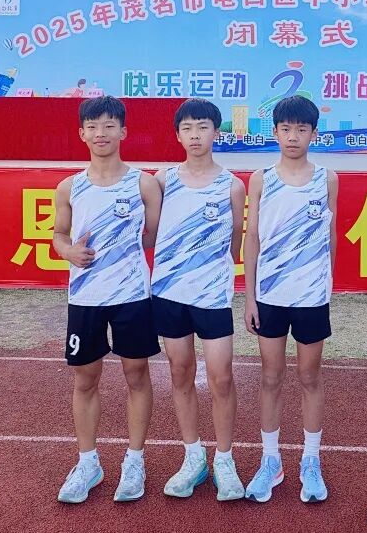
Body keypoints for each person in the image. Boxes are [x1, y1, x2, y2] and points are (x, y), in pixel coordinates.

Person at [52, 96, 163, 504]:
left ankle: (135, 460)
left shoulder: (143, 184)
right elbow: (58, 235)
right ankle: (88, 463)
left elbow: (152, 237)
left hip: (133, 296)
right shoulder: (69, 186)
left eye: (109, 125)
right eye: (93, 126)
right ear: (82, 133)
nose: (101, 133)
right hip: (85, 298)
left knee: (137, 374)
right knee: (85, 378)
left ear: (123, 131)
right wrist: (68, 251)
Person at [243, 95, 339, 503]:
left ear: (313, 133)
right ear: (276, 132)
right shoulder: (261, 178)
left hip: (311, 297)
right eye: (286, 129)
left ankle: (310, 460)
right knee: (270, 376)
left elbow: (330, 236)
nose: (293, 136)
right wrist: (250, 296)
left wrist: (324, 284)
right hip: (270, 295)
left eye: (302, 129)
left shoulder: (327, 179)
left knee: (310, 377)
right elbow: (252, 237)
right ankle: (271, 460)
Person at [151, 99, 247, 501]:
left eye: (203, 127)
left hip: (212, 296)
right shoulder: (161, 181)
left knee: (222, 376)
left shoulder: (232, 185)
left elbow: (236, 241)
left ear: (216, 133)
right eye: (188, 128)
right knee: (180, 372)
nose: (195, 135)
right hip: (169, 294)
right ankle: (193, 457)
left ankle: (224, 459)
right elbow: (150, 232)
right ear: (177, 135)